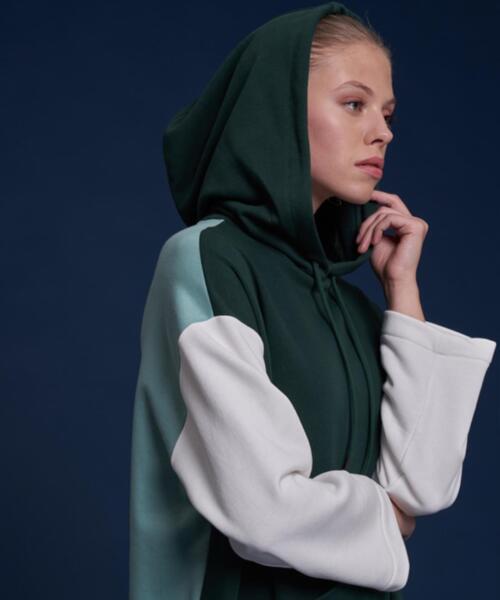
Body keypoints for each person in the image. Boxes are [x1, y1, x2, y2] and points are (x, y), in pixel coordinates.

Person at [128, 2, 497, 599]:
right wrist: (385, 518)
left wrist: (402, 291)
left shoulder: (352, 303)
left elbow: (423, 487)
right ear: (276, 109)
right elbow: (262, 511)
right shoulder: (208, 260)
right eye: (354, 104)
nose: (383, 131)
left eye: (387, 113)